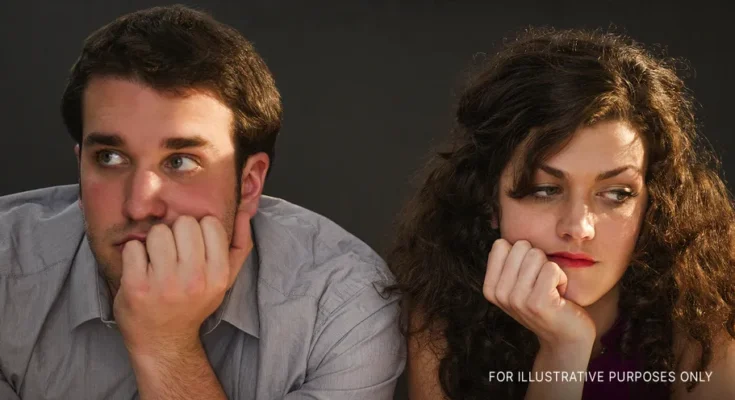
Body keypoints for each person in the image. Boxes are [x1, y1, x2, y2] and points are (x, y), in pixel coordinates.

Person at [0, 5, 404, 399]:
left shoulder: (341, 306)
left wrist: (166, 346)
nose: (140, 206)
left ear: (248, 183)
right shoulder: (7, 274)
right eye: (110, 158)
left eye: (180, 162)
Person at [387, 28, 735, 399]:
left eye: (617, 193)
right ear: (489, 201)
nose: (579, 228)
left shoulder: (705, 304)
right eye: (544, 190)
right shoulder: (441, 319)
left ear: (655, 201)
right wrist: (563, 350)